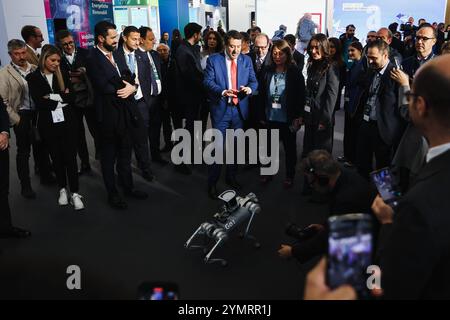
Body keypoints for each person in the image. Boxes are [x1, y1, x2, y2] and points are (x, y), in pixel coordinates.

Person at [371, 54, 450, 299]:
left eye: (412, 93)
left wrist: (387, 224)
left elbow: (386, 290)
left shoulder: (419, 204)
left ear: (421, 105)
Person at [86, 21, 148, 210]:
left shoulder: (118, 54)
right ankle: (112, 194)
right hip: (107, 117)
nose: (116, 40)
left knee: (125, 154)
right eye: (112, 37)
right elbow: (103, 86)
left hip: (126, 113)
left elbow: (130, 77)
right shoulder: (92, 58)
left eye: (116, 37)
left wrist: (133, 87)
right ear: (101, 38)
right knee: (108, 157)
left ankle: (128, 187)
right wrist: (127, 86)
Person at [278, 150, 376, 263]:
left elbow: (327, 240)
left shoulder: (346, 200)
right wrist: (324, 225)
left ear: (323, 179)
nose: (311, 187)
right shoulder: (344, 175)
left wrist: (294, 251)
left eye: (312, 182)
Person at [27, 45, 84, 210]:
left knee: (71, 158)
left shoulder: (64, 74)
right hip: (48, 124)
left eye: (58, 61)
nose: (56, 63)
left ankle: (74, 192)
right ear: (44, 58)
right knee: (57, 158)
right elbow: (39, 101)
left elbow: (72, 97)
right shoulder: (33, 78)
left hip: (68, 122)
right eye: (53, 60)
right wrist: (61, 99)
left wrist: (51, 97)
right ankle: (62, 189)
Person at [203, 30, 258, 199]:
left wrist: (250, 89)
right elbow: (207, 82)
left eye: (238, 47)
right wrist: (222, 91)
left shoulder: (246, 60)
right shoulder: (213, 60)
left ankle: (231, 177)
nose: (235, 51)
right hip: (221, 109)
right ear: (226, 45)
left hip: (239, 110)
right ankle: (212, 182)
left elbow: (254, 81)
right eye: (232, 46)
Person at [0, 39, 55, 198]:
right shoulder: (4, 74)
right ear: (10, 55)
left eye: (23, 52)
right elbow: (2, 101)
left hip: (39, 113)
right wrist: (17, 119)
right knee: (24, 152)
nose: (21, 56)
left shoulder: (35, 68)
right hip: (21, 115)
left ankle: (45, 176)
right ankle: (26, 186)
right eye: (17, 54)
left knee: (42, 146)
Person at [257, 40, 305, 188]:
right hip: (270, 117)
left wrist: (299, 116)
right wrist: (261, 115)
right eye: (275, 53)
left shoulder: (294, 72)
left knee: (290, 150)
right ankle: (268, 173)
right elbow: (261, 95)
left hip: (288, 119)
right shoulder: (267, 71)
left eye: (281, 53)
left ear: (287, 54)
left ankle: (290, 175)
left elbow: (301, 96)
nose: (277, 56)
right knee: (268, 148)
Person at [354, 39, 405, 179]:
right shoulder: (370, 71)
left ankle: (385, 200)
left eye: (373, 58)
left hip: (384, 131)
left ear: (385, 56)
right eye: (368, 57)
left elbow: (403, 107)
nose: (370, 61)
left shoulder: (396, 75)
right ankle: (363, 195)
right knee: (362, 164)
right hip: (366, 125)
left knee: (384, 170)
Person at [115, 26, 157, 182]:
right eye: (134, 38)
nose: (137, 42)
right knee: (124, 143)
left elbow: (146, 78)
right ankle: (124, 176)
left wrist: (145, 99)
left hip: (140, 104)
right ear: (124, 38)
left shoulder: (142, 55)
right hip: (123, 105)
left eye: (139, 39)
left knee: (142, 139)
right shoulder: (115, 55)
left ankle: (145, 168)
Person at [56, 30, 98, 175]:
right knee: (78, 134)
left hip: (89, 99)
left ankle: (101, 155)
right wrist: (69, 79)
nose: (68, 46)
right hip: (72, 101)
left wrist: (84, 73)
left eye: (70, 43)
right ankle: (85, 163)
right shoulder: (58, 58)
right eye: (65, 44)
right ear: (60, 45)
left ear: (74, 41)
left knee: (96, 129)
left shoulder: (86, 53)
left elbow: (94, 73)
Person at [301, 34, 339, 158]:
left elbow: (331, 96)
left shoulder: (331, 66)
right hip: (310, 116)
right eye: (311, 48)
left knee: (321, 158)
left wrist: (324, 120)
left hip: (322, 119)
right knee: (308, 152)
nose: (313, 51)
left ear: (324, 47)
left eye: (317, 48)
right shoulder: (312, 64)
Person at [137, 26, 169, 167]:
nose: (154, 41)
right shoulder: (135, 56)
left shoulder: (155, 55)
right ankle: (143, 164)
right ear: (141, 40)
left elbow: (160, 77)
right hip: (143, 101)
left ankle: (155, 155)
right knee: (142, 134)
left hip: (157, 99)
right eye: (150, 39)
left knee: (156, 130)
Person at [0, 97, 31, 239]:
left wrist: (4, 133)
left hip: (1, 144)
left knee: (2, 189)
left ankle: (5, 227)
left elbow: (1, 110)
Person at [340, 41, 364, 167]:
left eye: (352, 50)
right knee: (348, 131)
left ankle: (353, 159)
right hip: (349, 104)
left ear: (360, 50)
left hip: (356, 106)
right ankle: (347, 155)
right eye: (348, 51)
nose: (349, 53)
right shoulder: (354, 65)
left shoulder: (362, 66)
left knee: (354, 133)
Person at [200, 30, 224, 135]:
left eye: (214, 39)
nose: (212, 41)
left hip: (217, 93)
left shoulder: (222, 55)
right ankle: (200, 149)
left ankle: (216, 149)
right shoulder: (200, 54)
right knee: (201, 123)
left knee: (217, 124)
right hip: (203, 93)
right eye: (210, 38)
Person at [156, 43, 174, 153]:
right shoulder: (155, 64)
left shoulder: (174, 63)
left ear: (169, 51)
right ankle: (168, 144)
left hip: (174, 97)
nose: (162, 52)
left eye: (164, 50)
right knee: (166, 123)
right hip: (161, 98)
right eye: (159, 50)